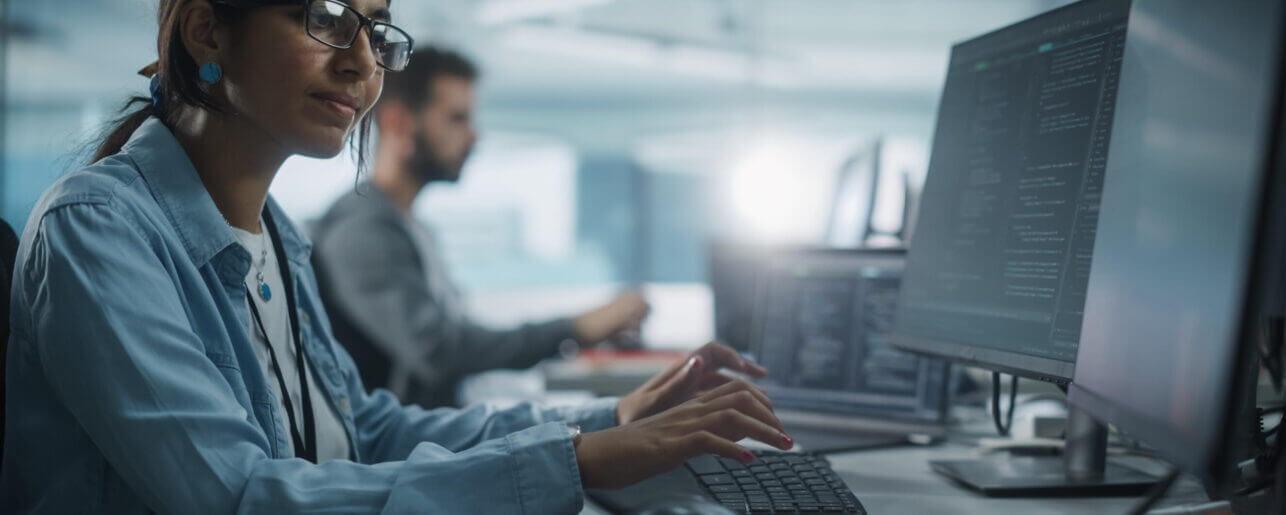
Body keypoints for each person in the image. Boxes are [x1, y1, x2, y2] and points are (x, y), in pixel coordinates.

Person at [0, 0, 792, 512]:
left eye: (375, 31)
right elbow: (238, 496)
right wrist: (573, 462)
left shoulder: (276, 231)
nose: (361, 59)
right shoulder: (97, 230)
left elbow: (361, 431)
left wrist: (603, 419)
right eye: (323, 15)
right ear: (207, 28)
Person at [311, 47, 649, 409]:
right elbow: (438, 350)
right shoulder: (363, 232)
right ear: (399, 124)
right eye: (457, 119)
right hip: (399, 453)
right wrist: (576, 329)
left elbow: (455, 336)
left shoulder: (411, 226)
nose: (473, 137)